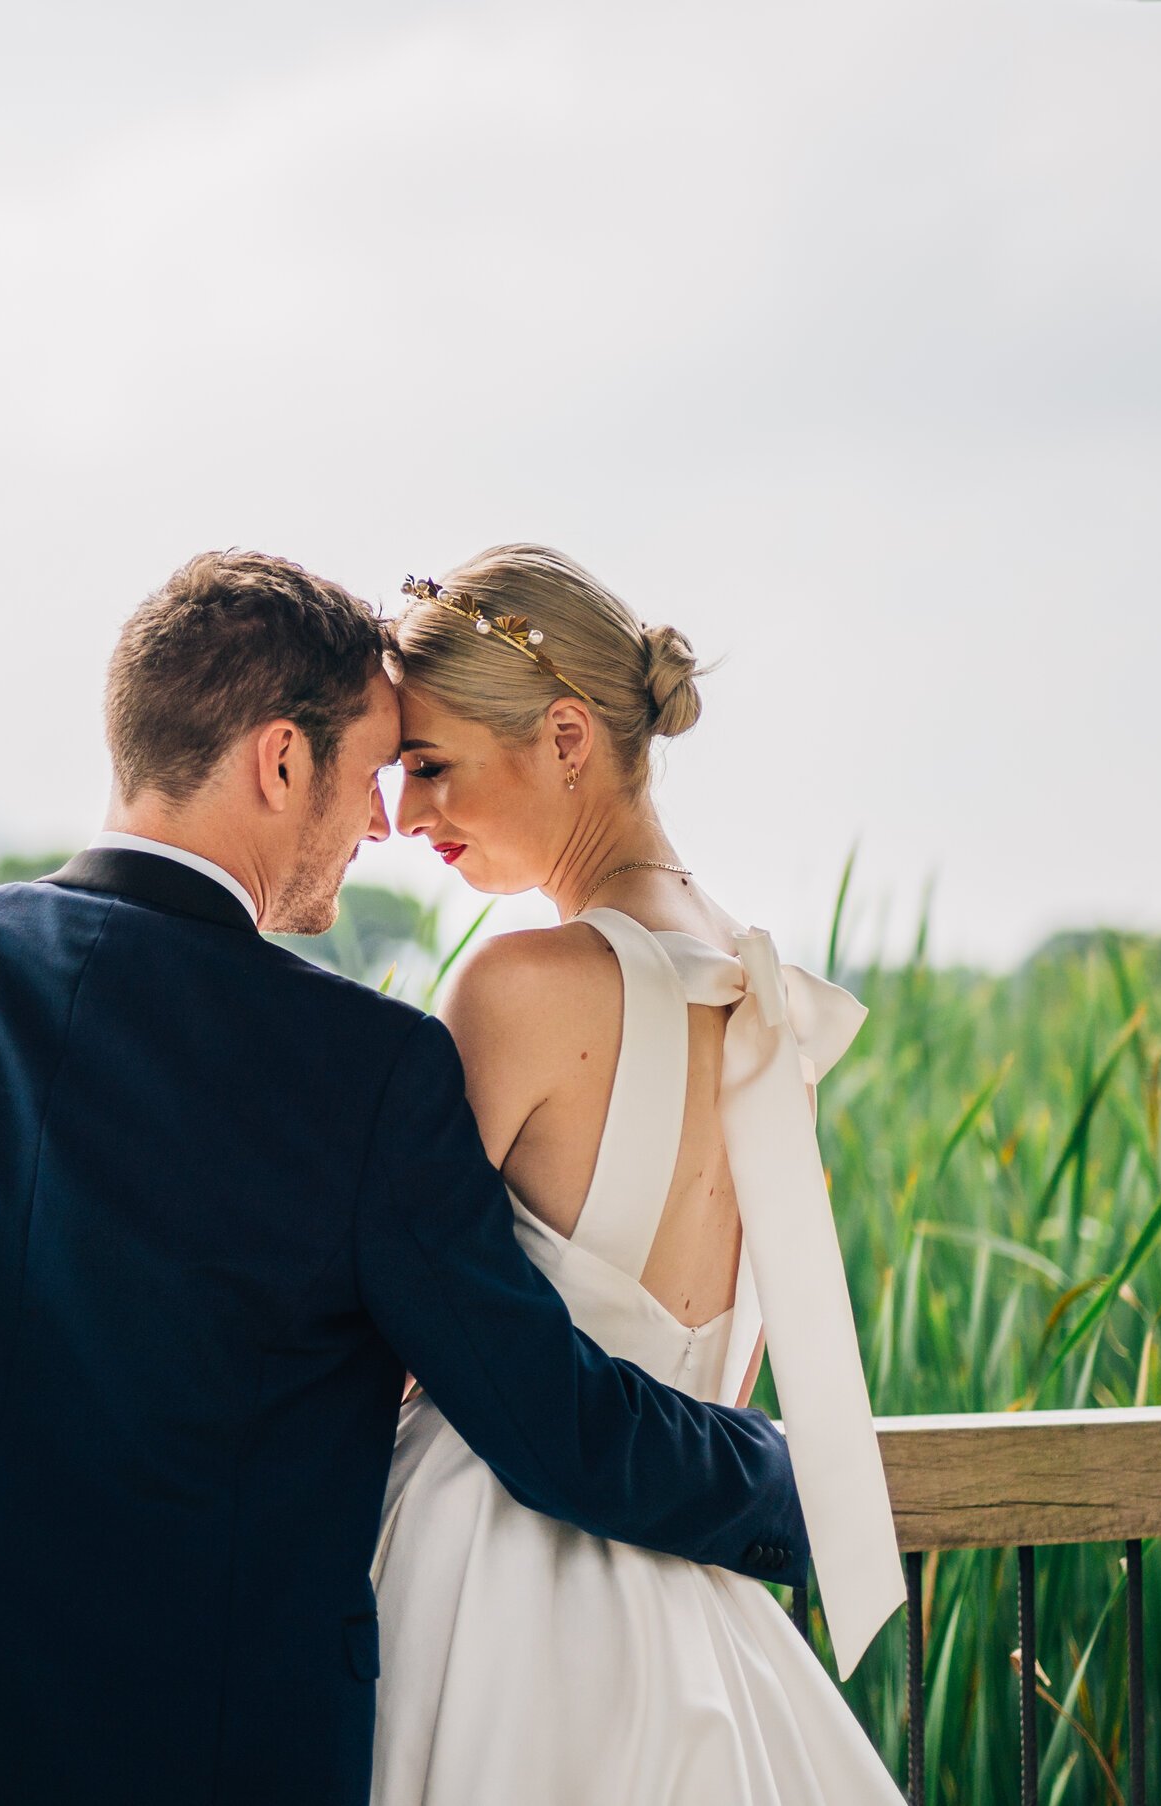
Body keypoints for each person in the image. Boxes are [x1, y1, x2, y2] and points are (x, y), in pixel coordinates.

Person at [0, 549, 807, 1806]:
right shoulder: (366, 1068)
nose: (384, 824)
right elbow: (546, 1416)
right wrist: (804, 1490)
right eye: (373, 773)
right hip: (186, 1739)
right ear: (281, 762)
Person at [371, 544, 901, 1805]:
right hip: (694, 1595)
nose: (404, 817)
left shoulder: (517, 988)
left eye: (431, 765)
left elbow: (393, 1324)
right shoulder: (762, 996)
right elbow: (742, 1357)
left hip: (484, 1578)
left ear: (565, 737)